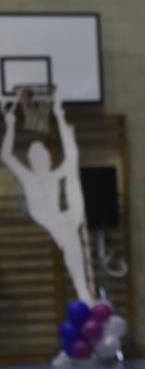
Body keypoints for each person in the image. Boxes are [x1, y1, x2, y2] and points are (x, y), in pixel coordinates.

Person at [1, 95, 94, 305]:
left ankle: (82, 287)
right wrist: (10, 125)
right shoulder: (29, 176)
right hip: (45, 215)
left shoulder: (54, 175)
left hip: (63, 218)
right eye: (36, 157)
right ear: (32, 161)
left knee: (71, 174)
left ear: (49, 159)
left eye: (44, 155)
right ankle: (82, 289)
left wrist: (60, 118)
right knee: (69, 235)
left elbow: (72, 154)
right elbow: (7, 156)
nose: (41, 158)